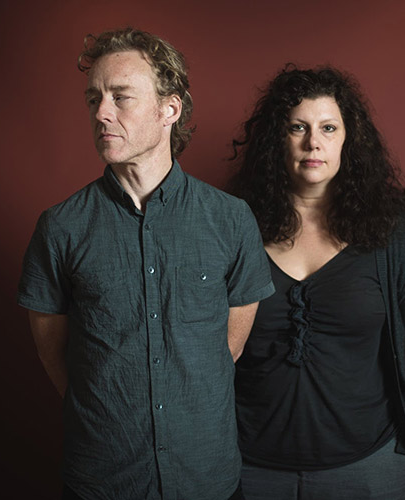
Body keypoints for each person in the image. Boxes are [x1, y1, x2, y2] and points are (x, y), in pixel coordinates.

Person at [17, 28, 274, 500]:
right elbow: (53, 351)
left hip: (206, 475)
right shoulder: (60, 226)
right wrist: (109, 410)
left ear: (169, 109)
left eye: (120, 97)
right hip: (103, 480)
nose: (101, 112)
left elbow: (227, 348)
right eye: (94, 98)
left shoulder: (231, 219)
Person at [227, 66, 405, 500]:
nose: (313, 142)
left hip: (371, 469)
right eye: (298, 127)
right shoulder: (232, 225)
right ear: (276, 139)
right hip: (249, 470)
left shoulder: (394, 230)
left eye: (328, 128)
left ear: (349, 139)